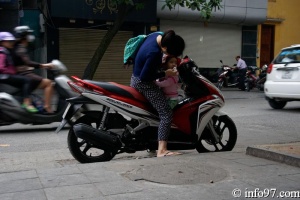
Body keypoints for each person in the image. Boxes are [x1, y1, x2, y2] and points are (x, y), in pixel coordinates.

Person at [130, 30, 185, 158]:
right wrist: (166, 74)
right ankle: (162, 149)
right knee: (166, 113)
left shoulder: (156, 35)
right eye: (170, 52)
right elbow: (145, 77)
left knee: (155, 111)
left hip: (135, 76)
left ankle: (151, 143)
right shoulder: (154, 52)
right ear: (165, 47)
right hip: (143, 84)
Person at [12, 26, 54, 113]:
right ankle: (47, 107)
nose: (29, 37)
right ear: (23, 36)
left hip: (21, 74)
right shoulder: (20, 48)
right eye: (28, 34)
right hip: (24, 75)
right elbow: (28, 62)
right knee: (48, 83)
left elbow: (21, 63)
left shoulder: (16, 47)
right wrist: (44, 65)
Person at [0, 32, 38, 113]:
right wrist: (12, 71)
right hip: (4, 76)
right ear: (2, 42)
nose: (11, 43)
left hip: (5, 75)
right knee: (27, 80)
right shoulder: (2, 52)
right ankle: (27, 103)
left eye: (11, 41)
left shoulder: (6, 51)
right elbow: (1, 67)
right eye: (9, 41)